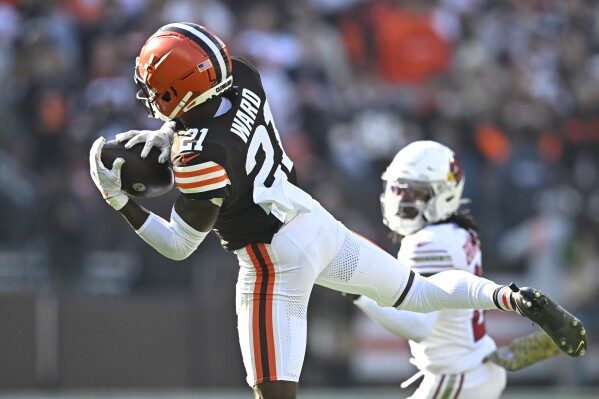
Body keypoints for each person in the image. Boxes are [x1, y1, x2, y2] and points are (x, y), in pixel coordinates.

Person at [88, 22, 587, 399]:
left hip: (271, 263)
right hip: (316, 223)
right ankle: (510, 297)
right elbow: (203, 119)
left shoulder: (198, 159)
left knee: (275, 393)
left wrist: (119, 200)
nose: (149, 98)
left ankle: (362, 297)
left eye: (156, 91)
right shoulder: (245, 77)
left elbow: (179, 245)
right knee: (421, 296)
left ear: (180, 91)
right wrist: (163, 133)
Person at [342, 141, 565, 398]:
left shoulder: (427, 243)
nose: (399, 200)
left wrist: (359, 292)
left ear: (443, 194)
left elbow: (417, 325)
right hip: (474, 363)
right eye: (396, 189)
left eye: (413, 192)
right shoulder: (457, 231)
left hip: (458, 374)